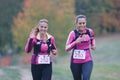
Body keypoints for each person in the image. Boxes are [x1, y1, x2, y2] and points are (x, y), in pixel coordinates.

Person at [65, 14, 96, 80]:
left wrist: (93, 44)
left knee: (86, 78)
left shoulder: (89, 31)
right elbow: (67, 48)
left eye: (83, 23)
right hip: (75, 62)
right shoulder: (73, 33)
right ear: (76, 24)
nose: (82, 25)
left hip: (87, 60)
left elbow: (92, 38)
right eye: (80, 23)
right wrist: (75, 42)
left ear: (86, 23)